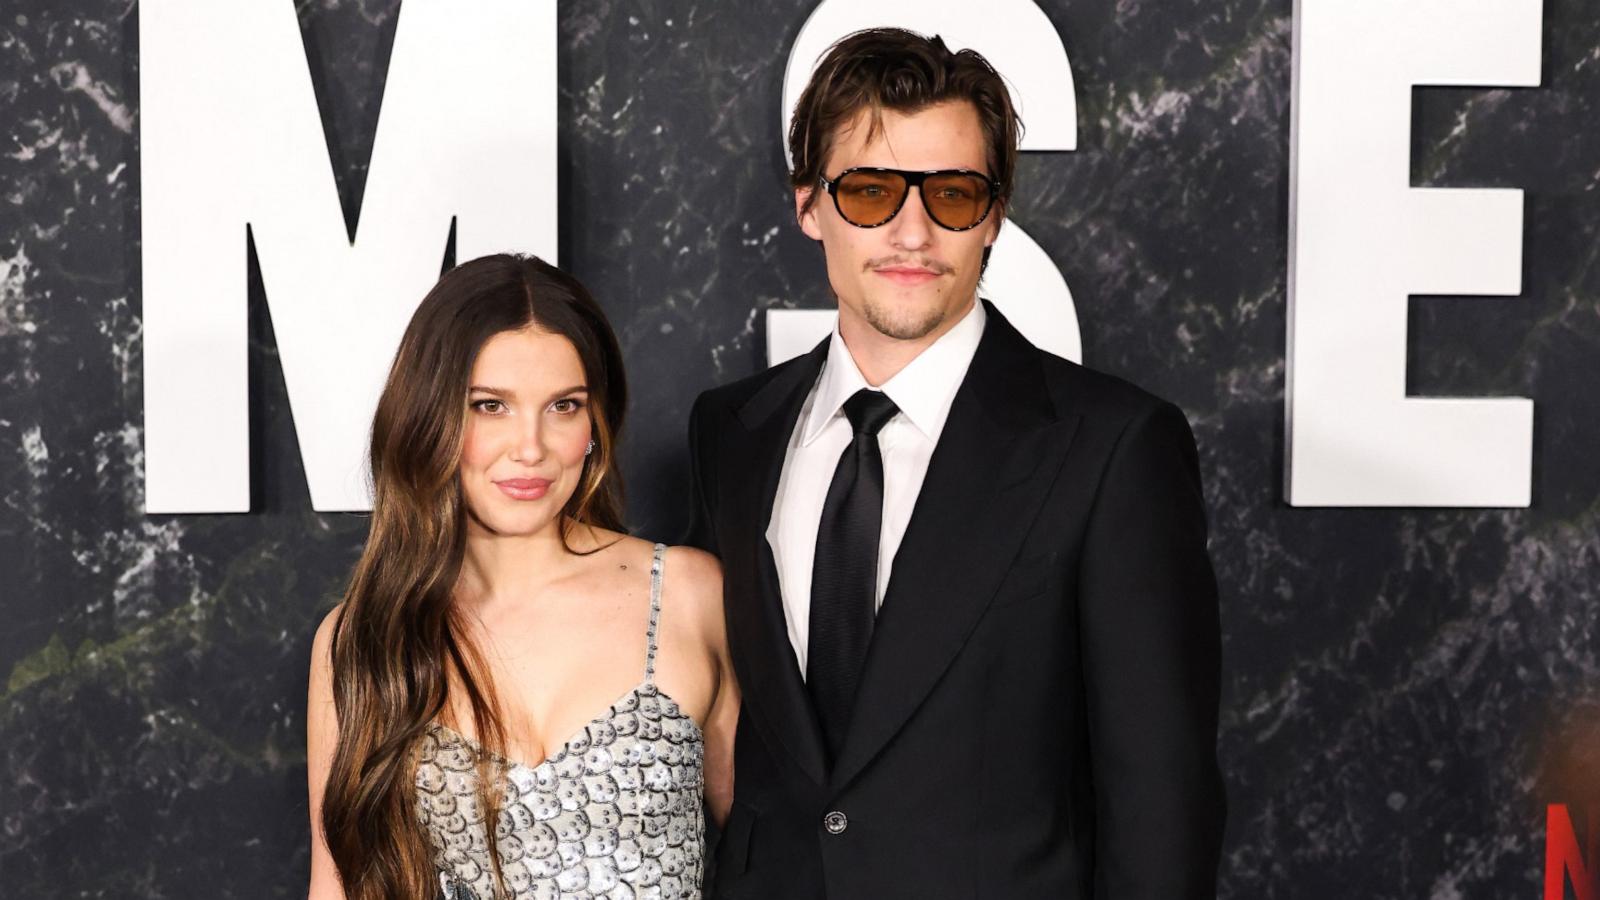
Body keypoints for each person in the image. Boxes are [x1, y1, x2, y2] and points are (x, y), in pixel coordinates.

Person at [686, 28, 1224, 899]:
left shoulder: (1113, 448)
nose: (912, 231)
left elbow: (1162, 804)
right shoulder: (730, 436)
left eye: (952, 194)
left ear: (995, 215)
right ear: (808, 205)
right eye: (867, 192)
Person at [306, 254, 738, 900]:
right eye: (490, 406)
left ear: (594, 425)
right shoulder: (362, 641)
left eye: (563, 406)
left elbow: (771, 861)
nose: (530, 447)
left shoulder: (688, 596)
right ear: (432, 417)